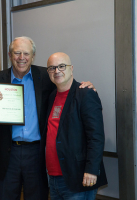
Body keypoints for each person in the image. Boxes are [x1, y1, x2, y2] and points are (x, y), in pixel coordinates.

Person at [0, 37, 95, 200]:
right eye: (17, 53)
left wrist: (85, 87)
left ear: (33, 56)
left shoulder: (46, 76)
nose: (22, 57)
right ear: (9, 55)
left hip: (37, 153)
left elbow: (66, 85)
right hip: (9, 154)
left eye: (26, 53)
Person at [42, 52, 107, 200]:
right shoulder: (51, 96)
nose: (57, 71)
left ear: (71, 68)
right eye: (52, 68)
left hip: (78, 178)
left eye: (61, 66)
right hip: (53, 177)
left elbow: (96, 137)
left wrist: (91, 170)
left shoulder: (85, 94)